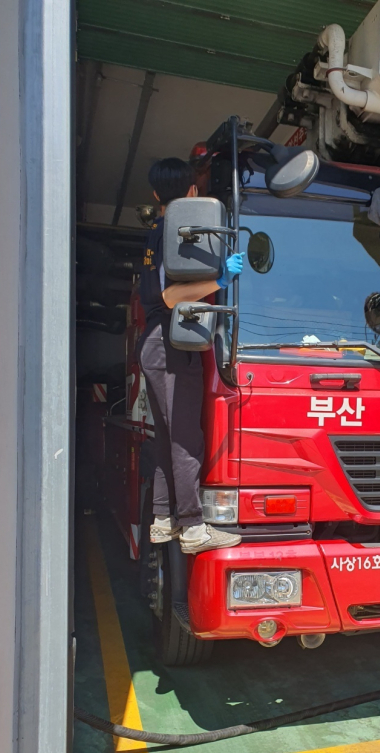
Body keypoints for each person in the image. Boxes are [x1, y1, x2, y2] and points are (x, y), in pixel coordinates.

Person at [139, 157, 244, 555]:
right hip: (170, 343)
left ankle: (163, 519)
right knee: (185, 438)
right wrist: (219, 279)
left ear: (155, 194)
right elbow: (169, 297)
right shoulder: (175, 235)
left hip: (158, 344)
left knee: (169, 436)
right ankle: (194, 528)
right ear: (193, 193)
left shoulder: (157, 233)